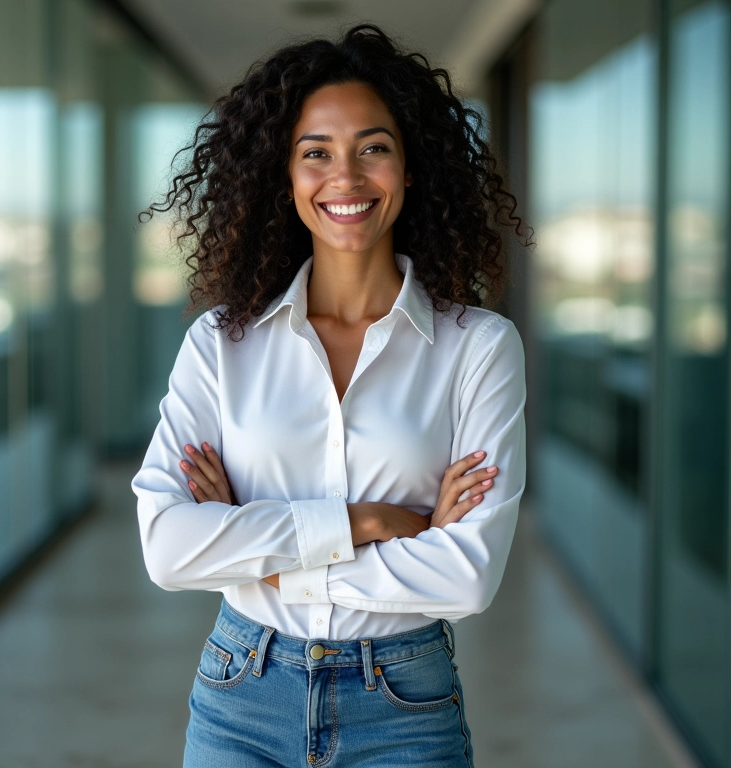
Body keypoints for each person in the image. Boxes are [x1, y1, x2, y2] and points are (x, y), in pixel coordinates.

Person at [131, 22, 532, 768]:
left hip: (403, 703)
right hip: (240, 695)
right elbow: (167, 547)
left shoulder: (479, 347)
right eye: (316, 152)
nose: (345, 177)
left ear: (411, 168)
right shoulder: (222, 343)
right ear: (284, 177)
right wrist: (375, 520)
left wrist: (249, 546)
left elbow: (466, 575)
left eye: (373, 148)